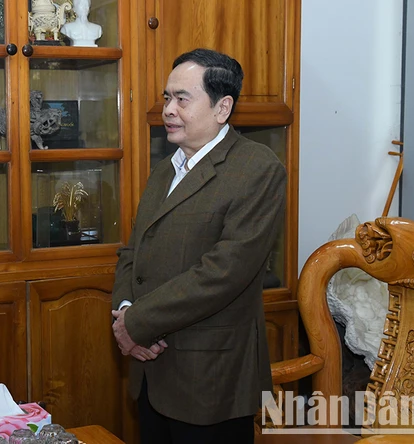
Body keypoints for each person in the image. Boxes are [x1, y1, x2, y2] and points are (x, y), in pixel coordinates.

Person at [111, 48, 286, 443]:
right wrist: (124, 311)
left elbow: (223, 272)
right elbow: (133, 251)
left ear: (222, 107)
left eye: (182, 99)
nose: (168, 110)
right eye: (167, 97)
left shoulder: (257, 169)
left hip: (209, 381)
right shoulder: (165, 169)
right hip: (150, 369)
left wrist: (136, 324)